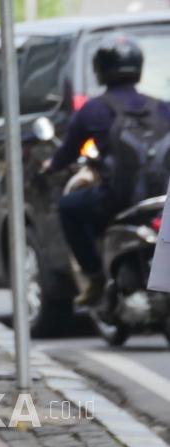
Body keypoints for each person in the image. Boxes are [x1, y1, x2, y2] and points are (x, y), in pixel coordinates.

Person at [46, 35, 170, 306]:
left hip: (117, 198)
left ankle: (95, 277)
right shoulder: (162, 107)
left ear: (100, 70)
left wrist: (50, 167)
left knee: (68, 208)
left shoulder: (94, 110)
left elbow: (66, 154)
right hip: (162, 199)